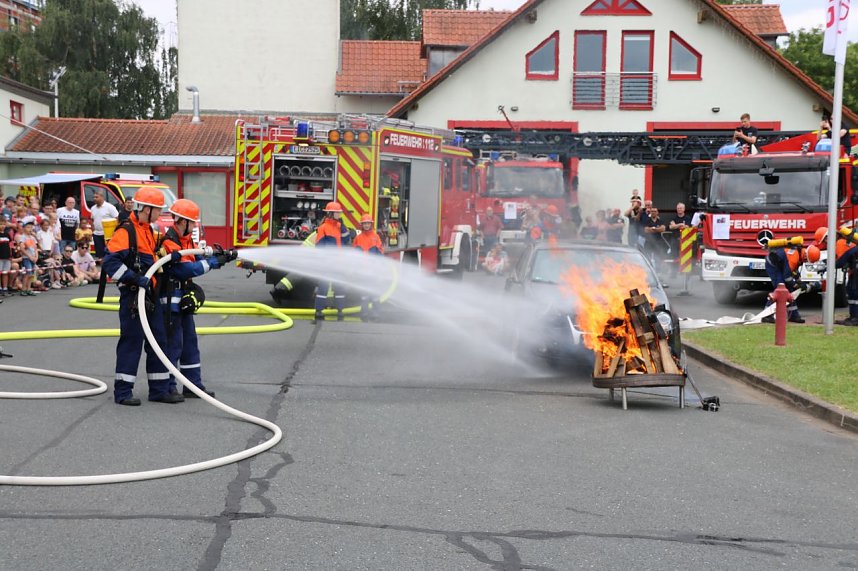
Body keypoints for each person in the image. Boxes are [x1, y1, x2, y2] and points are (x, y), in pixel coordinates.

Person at [102, 186, 176, 406]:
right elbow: (110, 263)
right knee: (132, 342)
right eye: (157, 210)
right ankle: (123, 392)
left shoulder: (147, 230)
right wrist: (134, 278)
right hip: (134, 297)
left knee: (158, 341)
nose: (159, 215)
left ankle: (159, 390)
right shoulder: (127, 231)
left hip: (150, 296)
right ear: (147, 209)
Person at [160, 198, 228, 399]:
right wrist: (212, 263)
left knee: (190, 344)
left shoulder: (187, 240)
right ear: (182, 221)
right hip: (171, 300)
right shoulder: (169, 241)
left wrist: (220, 257)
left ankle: (193, 385)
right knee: (173, 346)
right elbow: (184, 269)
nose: (194, 225)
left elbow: (199, 259)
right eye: (192, 222)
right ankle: (169, 387)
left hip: (184, 300)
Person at [313, 201, 351, 323]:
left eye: (340, 213)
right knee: (323, 287)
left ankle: (340, 310)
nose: (339, 215)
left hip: (338, 263)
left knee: (339, 287)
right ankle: (318, 311)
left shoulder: (339, 227)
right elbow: (318, 246)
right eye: (337, 213)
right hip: (326, 264)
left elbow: (346, 239)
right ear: (331, 213)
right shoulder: (323, 228)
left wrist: (343, 226)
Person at [761, 240, 807, 324]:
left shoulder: (797, 253)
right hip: (773, 265)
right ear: (805, 256)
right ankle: (766, 316)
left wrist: (799, 280)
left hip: (778, 265)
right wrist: (796, 285)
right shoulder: (795, 256)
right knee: (780, 289)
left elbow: (793, 270)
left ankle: (794, 316)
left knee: (789, 291)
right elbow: (787, 277)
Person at [353, 213, 384, 320]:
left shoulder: (376, 237)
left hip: (374, 271)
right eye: (364, 223)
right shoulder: (358, 238)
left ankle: (376, 313)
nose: (366, 225)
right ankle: (364, 313)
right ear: (362, 225)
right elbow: (354, 254)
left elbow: (380, 253)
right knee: (364, 294)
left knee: (374, 293)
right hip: (363, 270)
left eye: (368, 223)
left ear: (371, 224)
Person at [90, 189, 119, 260]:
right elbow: (92, 220)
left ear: (102, 197)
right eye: (94, 197)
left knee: (109, 253)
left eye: (96, 197)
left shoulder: (110, 207)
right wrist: (93, 231)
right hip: (97, 234)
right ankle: (103, 269)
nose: (94, 199)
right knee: (100, 255)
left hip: (108, 235)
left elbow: (117, 218)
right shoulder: (93, 208)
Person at [14, 219, 38, 296]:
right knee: (27, 274)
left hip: (33, 258)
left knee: (31, 274)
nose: (30, 229)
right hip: (26, 258)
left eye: (31, 227)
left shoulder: (33, 238)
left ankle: (29, 289)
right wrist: (30, 256)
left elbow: (35, 248)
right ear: (24, 228)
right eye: (28, 227)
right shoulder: (22, 237)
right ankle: (24, 289)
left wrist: (36, 257)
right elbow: (22, 248)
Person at [0, 217, 12, 296]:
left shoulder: (7, 234)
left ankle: (5, 288)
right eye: (1, 224)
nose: (2, 226)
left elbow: (10, 246)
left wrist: (10, 256)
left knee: (5, 273)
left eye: (4, 224)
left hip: (7, 257)